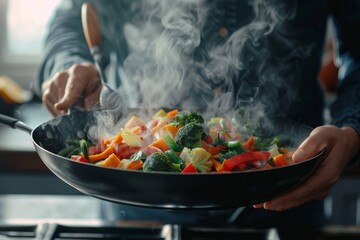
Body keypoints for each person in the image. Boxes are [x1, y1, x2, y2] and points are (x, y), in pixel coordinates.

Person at [36, 0, 360, 227]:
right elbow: (70, 19)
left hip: (286, 201)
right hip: (137, 209)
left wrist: (352, 131)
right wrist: (66, 65)